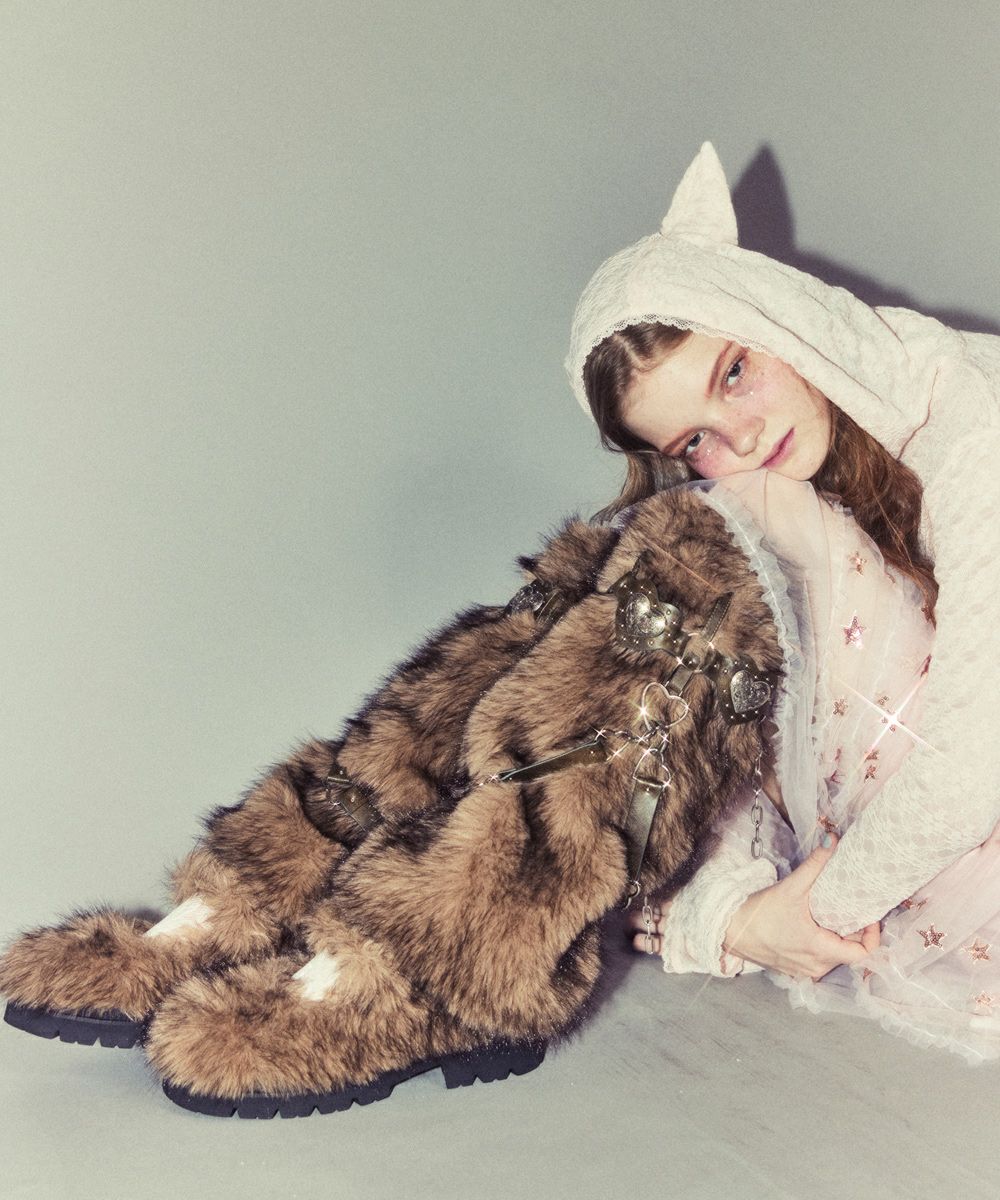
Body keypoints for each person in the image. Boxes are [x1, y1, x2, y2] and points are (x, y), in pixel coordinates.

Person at [565, 142, 1000, 1061]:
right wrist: (737, 916)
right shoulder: (796, 489)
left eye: (734, 373)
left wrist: (799, 916)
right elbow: (739, 736)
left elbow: (973, 765)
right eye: (694, 440)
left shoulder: (975, 429)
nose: (742, 435)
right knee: (716, 565)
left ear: (784, 318)